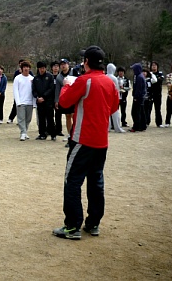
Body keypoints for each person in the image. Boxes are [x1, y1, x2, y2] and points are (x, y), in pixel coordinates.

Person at [53, 45, 119, 240]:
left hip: (82, 139)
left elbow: (64, 102)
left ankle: (73, 226)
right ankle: (93, 223)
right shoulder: (109, 82)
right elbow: (113, 107)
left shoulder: (84, 80)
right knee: (96, 181)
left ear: (87, 62)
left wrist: (67, 85)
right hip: (101, 141)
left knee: (72, 181)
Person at [32, 61, 56, 140]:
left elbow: (51, 88)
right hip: (39, 101)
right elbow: (34, 90)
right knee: (41, 118)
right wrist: (37, 97)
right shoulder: (36, 78)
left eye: (43, 68)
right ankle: (42, 134)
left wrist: (44, 97)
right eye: (40, 68)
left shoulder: (50, 76)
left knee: (50, 118)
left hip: (48, 100)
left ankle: (53, 134)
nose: (42, 70)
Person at [13, 61, 35, 141]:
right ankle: (23, 132)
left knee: (28, 119)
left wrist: (34, 103)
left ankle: (25, 132)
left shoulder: (32, 79)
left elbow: (34, 91)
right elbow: (15, 90)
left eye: (27, 67)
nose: (26, 69)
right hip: (21, 102)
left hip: (30, 102)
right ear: (22, 69)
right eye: (24, 67)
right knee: (21, 118)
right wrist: (18, 102)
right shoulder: (17, 78)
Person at [55, 59, 75, 142]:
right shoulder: (59, 77)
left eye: (64, 64)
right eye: (61, 64)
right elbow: (57, 89)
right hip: (66, 98)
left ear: (68, 64)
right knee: (68, 116)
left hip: (74, 97)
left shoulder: (74, 72)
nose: (63, 66)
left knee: (74, 116)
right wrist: (57, 100)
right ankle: (69, 133)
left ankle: (75, 134)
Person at [106, 63, 126, 133]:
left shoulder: (105, 76)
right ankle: (117, 127)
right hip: (113, 97)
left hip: (106, 97)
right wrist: (118, 97)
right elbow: (116, 89)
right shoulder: (114, 78)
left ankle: (108, 127)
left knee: (107, 113)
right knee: (115, 113)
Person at [129, 63, 147, 132]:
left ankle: (136, 127)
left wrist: (136, 97)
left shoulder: (139, 77)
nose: (133, 70)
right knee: (141, 112)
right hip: (141, 97)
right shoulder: (139, 76)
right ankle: (142, 126)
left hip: (138, 97)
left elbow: (138, 89)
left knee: (135, 112)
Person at [149, 61, 165, 127]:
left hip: (157, 93)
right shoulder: (149, 73)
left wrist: (155, 80)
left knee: (158, 109)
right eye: (152, 65)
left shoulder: (160, 73)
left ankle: (159, 123)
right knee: (148, 108)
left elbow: (159, 80)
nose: (154, 66)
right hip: (150, 93)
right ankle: (146, 122)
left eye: (155, 65)